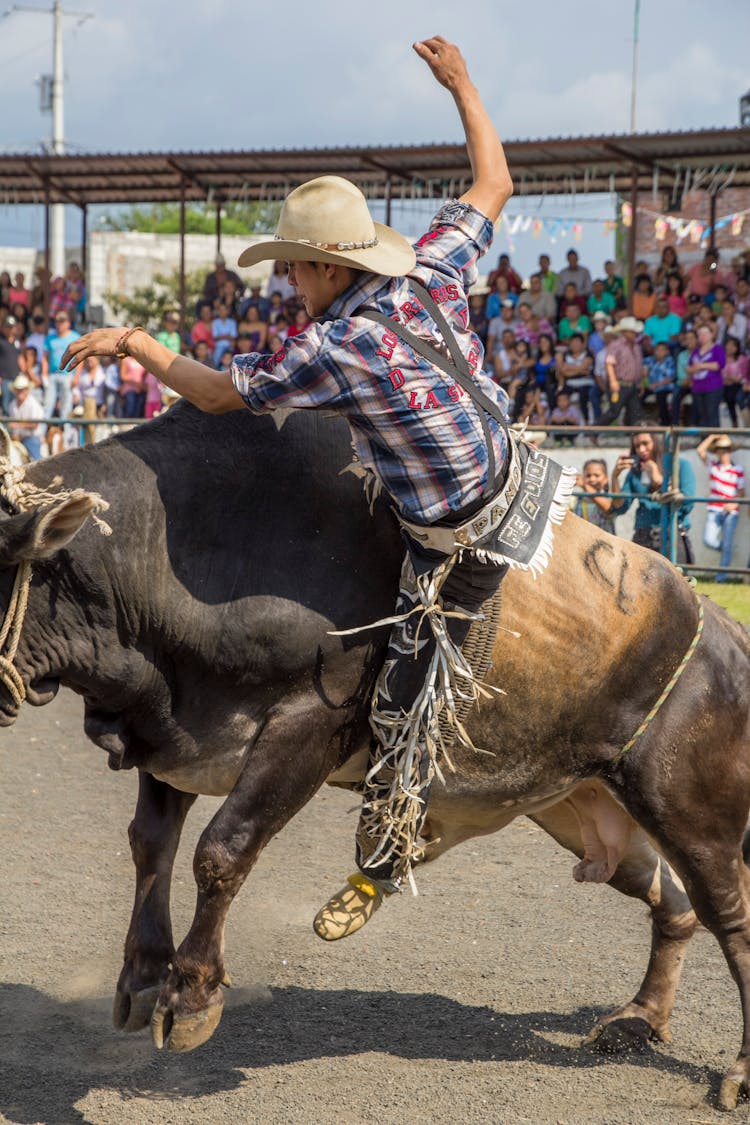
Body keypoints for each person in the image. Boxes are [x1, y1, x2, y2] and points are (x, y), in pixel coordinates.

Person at [60, 37, 539, 943]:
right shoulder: (432, 266)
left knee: (403, 699)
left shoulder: (335, 348)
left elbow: (210, 393)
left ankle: (384, 854)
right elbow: (495, 182)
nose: (288, 280)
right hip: (503, 462)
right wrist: (465, 85)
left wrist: (134, 343)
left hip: (463, 533)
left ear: (328, 267)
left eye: (293, 266)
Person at [611, 431, 695, 563]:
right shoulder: (635, 472)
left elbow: (687, 505)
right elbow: (620, 507)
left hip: (671, 532)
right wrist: (615, 477)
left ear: (657, 443)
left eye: (645, 444)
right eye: (637, 446)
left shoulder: (680, 465)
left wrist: (659, 480)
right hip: (643, 534)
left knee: (674, 580)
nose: (641, 450)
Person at [697, 433, 745, 582]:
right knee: (709, 540)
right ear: (716, 451)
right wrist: (712, 437)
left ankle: (721, 578)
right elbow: (700, 451)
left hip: (731, 511)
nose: (722, 452)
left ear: (730, 451)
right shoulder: (713, 466)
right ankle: (726, 550)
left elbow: (741, 493)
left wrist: (733, 504)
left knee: (726, 543)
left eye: (725, 449)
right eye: (719, 449)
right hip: (714, 509)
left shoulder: (738, 469)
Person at [598, 316, 645, 427]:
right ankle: (594, 430)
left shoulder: (637, 347)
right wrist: (613, 381)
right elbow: (609, 363)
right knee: (614, 412)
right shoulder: (616, 345)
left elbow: (639, 366)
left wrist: (641, 382)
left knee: (635, 413)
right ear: (625, 332)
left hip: (632, 384)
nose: (635, 334)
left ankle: (636, 436)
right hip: (619, 383)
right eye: (632, 332)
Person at [686, 324, 726, 429]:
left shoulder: (717, 348)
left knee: (712, 413)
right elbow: (689, 368)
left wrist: (701, 366)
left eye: (705, 334)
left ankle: (714, 438)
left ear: (711, 335)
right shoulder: (696, 351)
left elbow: (720, 365)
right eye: (700, 335)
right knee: (702, 415)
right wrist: (698, 368)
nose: (702, 337)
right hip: (698, 388)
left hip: (713, 387)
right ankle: (704, 438)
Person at [8, 373, 44, 459]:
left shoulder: (33, 404)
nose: (20, 392)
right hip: (15, 439)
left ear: (27, 390)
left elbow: (35, 425)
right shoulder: (12, 404)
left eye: (22, 389)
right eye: (18, 389)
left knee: (36, 461)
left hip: (30, 438)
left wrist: (17, 425)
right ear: (15, 390)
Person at [574, 458, 615, 534]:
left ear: (606, 479)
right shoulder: (576, 501)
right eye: (588, 476)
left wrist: (584, 485)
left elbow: (608, 509)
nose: (592, 479)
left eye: (597, 475)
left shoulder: (608, 498)